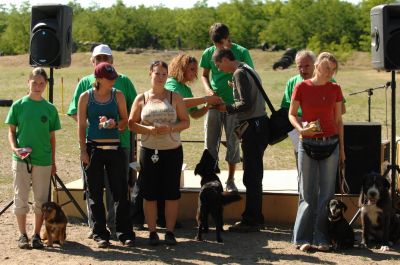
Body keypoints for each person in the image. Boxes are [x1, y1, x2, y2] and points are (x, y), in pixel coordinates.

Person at [130, 54, 222, 230]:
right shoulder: (172, 84)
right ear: (181, 67)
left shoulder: (184, 88)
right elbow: (181, 103)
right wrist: (205, 99)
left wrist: (207, 107)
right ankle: (145, 222)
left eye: (196, 70)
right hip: (150, 147)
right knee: (148, 188)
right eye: (191, 69)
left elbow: (192, 114)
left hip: (171, 146)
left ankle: (163, 222)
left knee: (166, 187)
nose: (195, 73)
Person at [67, 44, 137, 237]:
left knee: (120, 191)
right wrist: (83, 150)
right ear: (98, 77)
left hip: (116, 146)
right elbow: (80, 124)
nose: (114, 80)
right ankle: (99, 231)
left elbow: (126, 119)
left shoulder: (119, 92)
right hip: (93, 148)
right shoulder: (85, 94)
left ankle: (123, 231)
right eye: (109, 78)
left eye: (113, 75)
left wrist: (115, 124)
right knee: (95, 192)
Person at [128, 61, 190, 246]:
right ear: (150, 74)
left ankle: (169, 232)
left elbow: (186, 122)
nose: (161, 77)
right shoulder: (141, 98)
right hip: (148, 152)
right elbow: (131, 123)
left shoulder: (175, 97)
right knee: (149, 194)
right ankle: (152, 232)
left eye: (164, 74)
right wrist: (148, 130)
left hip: (172, 152)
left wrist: (170, 128)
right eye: (157, 73)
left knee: (171, 193)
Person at [289, 52, 345, 252]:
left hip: (331, 143)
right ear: (317, 67)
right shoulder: (301, 87)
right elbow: (292, 113)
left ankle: (321, 237)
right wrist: (300, 129)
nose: (330, 72)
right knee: (307, 193)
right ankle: (301, 237)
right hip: (308, 143)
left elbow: (339, 121)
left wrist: (343, 150)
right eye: (327, 68)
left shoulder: (336, 89)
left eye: (333, 69)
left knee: (327, 193)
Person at [213, 48, 269, 232]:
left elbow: (246, 103)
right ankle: (256, 217)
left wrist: (226, 108)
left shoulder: (238, 73)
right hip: (259, 126)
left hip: (252, 128)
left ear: (226, 59)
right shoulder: (247, 68)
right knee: (255, 175)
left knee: (251, 176)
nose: (219, 69)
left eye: (218, 64)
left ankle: (251, 220)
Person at [5, 67, 61, 249]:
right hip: (21, 160)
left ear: (46, 85)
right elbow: (11, 131)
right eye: (34, 82)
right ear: (28, 82)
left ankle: (37, 234)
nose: (37, 86)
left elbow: (52, 138)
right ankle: (22, 235)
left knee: (41, 201)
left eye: (41, 83)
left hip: (43, 161)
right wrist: (15, 148)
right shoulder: (18, 105)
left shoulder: (50, 108)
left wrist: (53, 161)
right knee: (20, 198)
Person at [200, 22, 254, 193]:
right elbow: (204, 75)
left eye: (220, 42)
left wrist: (237, 86)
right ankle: (210, 178)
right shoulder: (208, 53)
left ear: (227, 38)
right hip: (214, 104)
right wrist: (208, 90)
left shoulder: (242, 52)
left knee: (233, 142)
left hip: (234, 106)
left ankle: (230, 179)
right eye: (215, 43)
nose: (217, 46)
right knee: (210, 142)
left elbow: (250, 73)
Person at [280, 50, 345, 167]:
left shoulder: (330, 81)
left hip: (326, 135)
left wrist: (320, 117)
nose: (303, 70)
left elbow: (341, 111)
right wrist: (300, 125)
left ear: (315, 64)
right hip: (300, 132)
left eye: (306, 66)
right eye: (299, 66)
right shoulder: (293, 83)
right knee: (302, 169)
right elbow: (286, 109)